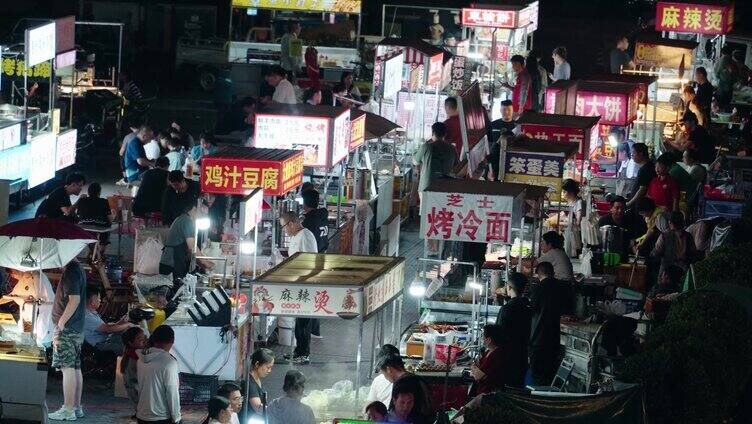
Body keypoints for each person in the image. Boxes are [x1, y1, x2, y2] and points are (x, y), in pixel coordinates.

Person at [48, 259, 87, 421]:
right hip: (76, 329)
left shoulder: (71, 271)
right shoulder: (78, 269)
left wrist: (61, 323)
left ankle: (68, 409)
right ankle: (76, 407)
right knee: (75, 368)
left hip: (68, 329)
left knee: (67, 368)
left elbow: (74, 299)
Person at [280, 211, 318, 364]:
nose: (284, 230)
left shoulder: (305, 235)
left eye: (284, 227)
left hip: (305, 285)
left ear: (291, 223)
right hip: (297, 284)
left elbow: (311, 261)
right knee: (299, 321)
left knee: (303, 321)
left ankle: (304, 354)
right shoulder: (296, 237)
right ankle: (298, 352)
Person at [529, 262, 573, 386]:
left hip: (538, 338)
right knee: (550, 375)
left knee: (538, 377)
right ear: (553, 272)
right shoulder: (563, 287)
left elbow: (532, 309)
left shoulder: (537, 288)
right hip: (554, 339)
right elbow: (568, 310)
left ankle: (538, 400)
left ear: (538, 275)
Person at [137, 325, 181, 424]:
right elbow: (172, 391)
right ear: (172, 340)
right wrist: (177, 417)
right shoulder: (169, 362)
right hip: (160, 417)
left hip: (142, 414)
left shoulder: (141, 358)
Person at [494, 272, 531, 388]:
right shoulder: (528, 308)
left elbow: (497, 334)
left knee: (505, 391)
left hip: (507, 358)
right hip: (522, 357)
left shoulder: (507, 309)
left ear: (509, 287)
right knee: (516, 389)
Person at [159, 203, 213, 280]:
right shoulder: (186, 221)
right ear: (194, 209)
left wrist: (202, 263)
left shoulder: (182, 219)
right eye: (203, 212)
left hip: (172, 263)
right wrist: (206, 263)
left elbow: (191, 252)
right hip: (172, 265)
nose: (204, 215)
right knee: (176, 290)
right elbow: (192, 247)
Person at [379, 354, 433, 424]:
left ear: (388, 369)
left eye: (384, 374)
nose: (386, 378)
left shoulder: (402, 383)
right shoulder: (417, 378)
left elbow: (394, 411)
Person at [413, 122, 458, 202]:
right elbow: (457, 166)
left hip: (426, 186)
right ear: (445, 134)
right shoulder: (452, 149)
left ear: (433, 132)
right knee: (439, 212)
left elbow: (415, 162)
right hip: (444, 187)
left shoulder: (426, 146)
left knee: (425, 212)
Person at [83, 286, 134, 354]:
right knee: (128, 348)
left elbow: (108, 327)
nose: (100, 300)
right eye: (99, 298)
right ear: (92, 302)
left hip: (106, 338)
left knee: (128, 336)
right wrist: (128, 324)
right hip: (99, 346)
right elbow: (107, 329)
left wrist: (122, 321)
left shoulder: (91, 313)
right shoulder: (87, 317)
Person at [651, 211, 698, 275]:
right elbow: (694, 254)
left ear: (670, 222)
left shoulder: (664, 236)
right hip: (683, 270)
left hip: (666, 271)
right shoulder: (688, 236)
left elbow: (656, 253)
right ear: (682, 222)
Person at [76, 182, 114, 256]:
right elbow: (110, 219)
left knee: (91, 227)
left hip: (84, 226)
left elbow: (79, 214)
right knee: (108, 225)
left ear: (88, 192)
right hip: (100, 227)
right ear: (99, 192)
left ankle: (92, 250)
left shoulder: (82, 200)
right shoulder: (104, 201)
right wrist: (113, 214)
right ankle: (101, 249)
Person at [471, 324, 509, 394]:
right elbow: (478, 370)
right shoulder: (489, 351)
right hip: (483, 390)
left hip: (489, 393)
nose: (481, 338)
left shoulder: (497, 354)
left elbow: (477, 376)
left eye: (482, 336)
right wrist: (476, 370)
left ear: (489, 340)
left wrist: (474, 368)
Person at [121, 326, 147, 410]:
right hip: (134, 387)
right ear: (131, 343)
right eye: (140, 339)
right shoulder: (134, 356)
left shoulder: (134, 352)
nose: (144, 341)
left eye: (144, 338)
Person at [246, 348, 274, 417]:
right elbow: (258, 408)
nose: (269, 371)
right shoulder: (250, 384)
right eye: (268, 367)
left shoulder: (256, 379)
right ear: (257, 364)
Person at [625, 143, 655, 209]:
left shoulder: (646, 169)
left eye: (633, 153)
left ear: (641, 154)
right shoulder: (647, 167)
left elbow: (642, 190)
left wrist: (629, 203)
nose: (631, 155)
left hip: (641, 206)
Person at [561, 178, 585, 257]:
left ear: (571, 192)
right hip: (568, 235)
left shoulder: (579, 203)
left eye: (564, 192)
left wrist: (559, 222)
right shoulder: (570, 203)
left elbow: (577, 222)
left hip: (575, 237)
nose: (563, 194)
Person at [301, 188, 329, 253]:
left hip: (313, 255)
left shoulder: (309, 221)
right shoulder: (322, 215)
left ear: (304, 203)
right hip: (322, 251)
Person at [118, 118, 143, 185]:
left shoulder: (128, 137)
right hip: (143, 160)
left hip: (134, 163)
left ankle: (126, 179)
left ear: (131, 127)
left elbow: (121, 152)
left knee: (121, 156)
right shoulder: (146, 134)